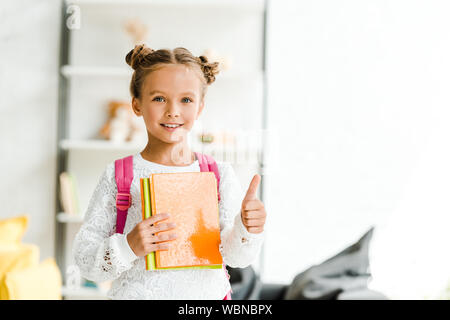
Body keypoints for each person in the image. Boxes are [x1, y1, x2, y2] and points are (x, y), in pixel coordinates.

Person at [72, 44, 267, 300]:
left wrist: (247, 227)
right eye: (159, 98)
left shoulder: (218, 175)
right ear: (137, 104)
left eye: (186, 99)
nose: (173, 110)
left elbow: (237, 258)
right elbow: (86, 261)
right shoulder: (119, 176)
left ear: (200, 107)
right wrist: (129, 245)